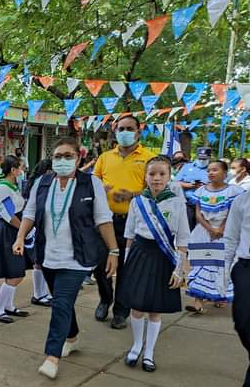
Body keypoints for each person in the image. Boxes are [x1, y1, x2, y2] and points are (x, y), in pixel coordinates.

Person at [14, 138, 119, 380]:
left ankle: (52, 356)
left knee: (60, 303)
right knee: (64, 302)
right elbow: (30, 213)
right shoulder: (43, 182)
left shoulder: (91, 183)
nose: (62, 160)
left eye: (68, 156)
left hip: (77, 257)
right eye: (58, 156)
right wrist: (20, 238)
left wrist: (113, 250)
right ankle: (71, 336)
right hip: (48, 255)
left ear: (79, 158)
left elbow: (103, 219)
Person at [117, 156, 190, 372]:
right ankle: (137, 345)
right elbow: (129, 234)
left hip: (164, 257)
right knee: (137, 305)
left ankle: (149, 352)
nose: (157, 178)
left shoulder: (177, 203)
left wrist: (179, 269)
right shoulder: (137, 202)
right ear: (145, 176)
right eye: (152, 174)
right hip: (140, 253)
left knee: (155, 308)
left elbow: (183, 239)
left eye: (162, 174)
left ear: (169, 177)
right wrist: (127, 261)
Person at [92, 115, 155, 329]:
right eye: (121, 129)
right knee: (100, 266)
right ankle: (105, 298)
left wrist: (133, 195)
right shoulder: (105, 157)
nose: (124, 132)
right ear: (115, 130)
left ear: (139, 131)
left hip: (134, 223)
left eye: (129, 128)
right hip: (105, 221)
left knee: (127, 270)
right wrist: (101, 189)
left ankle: (121, 311)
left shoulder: (148, 158)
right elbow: (94, 182)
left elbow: (157, 189)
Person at [185, 160, 245, 313]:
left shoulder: (234, 191)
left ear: (225, 173)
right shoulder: (201, 191)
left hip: (226, 232)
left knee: (221, 265)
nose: (211, 173)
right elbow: (198, 214)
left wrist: (221, 229)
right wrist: (210, 228)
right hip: (203, 232)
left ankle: (221, 295)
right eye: (209, 170)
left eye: (215, 170)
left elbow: (234, 212)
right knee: (200, 263)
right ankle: (198, 301)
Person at [0, 155, 29, 323]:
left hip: (14, 228)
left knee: (16, 271)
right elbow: (8, 215)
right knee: (15, 272)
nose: (22, 171)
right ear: (13, 170)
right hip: (8, 230)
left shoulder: (12, 186)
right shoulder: (2, 188)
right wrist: (24, 230)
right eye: (20, 168)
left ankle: (8, 305)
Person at [223, 188, 250, 387]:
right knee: (242, 323)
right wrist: (223, 274)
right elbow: (230, 237)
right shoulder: (242, 201)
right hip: (245, 267)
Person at [23, 159, 53, 307]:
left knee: (40, 262)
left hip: (39, 226)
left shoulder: (35, 181)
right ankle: (38, 294)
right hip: (37, 227)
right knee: (39, 261)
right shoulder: (41, 183)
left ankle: (41, 293)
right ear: (48, 170)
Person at [175, 147, 211, 231]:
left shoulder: (212, 168)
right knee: (188, 227)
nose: (202, 160)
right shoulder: (187, 167)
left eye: (204, 158)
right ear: (197, 157)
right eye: (200, 158)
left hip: (206, 203)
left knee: (204, 229)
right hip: (189, 203)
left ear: (209, 157)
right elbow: (176, 183)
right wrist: (190, 185)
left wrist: (205, 186)